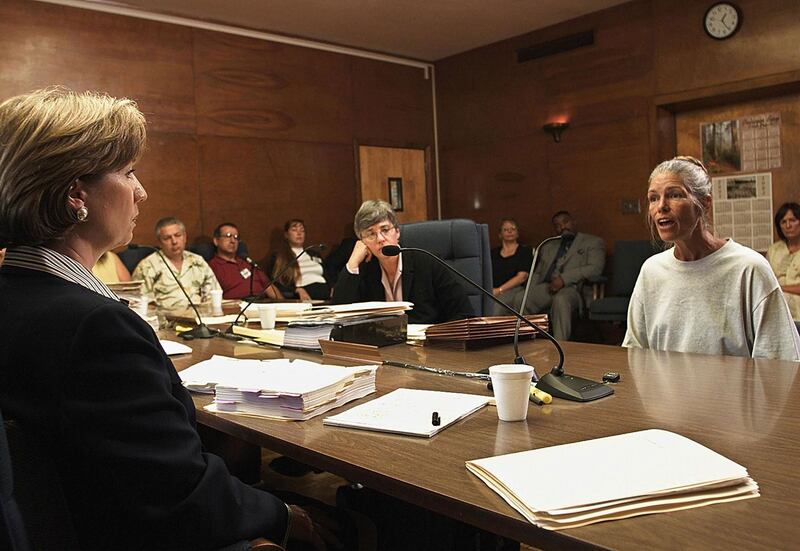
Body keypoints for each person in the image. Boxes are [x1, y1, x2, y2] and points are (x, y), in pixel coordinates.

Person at [0, 88, 334, 550]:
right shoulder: (93, 327)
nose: (142, 191)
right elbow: (181, 496)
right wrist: (284, 516)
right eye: (127, 171)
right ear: (76, 193)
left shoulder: (16, 294)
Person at [623, 156, 800, 360]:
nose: (661, 206)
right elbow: (635, 354)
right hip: (663, 392)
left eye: (674, 195)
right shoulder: (651, 271)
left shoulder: (750, 269)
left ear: (705, 204)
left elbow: (779, 362)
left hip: (733, 393)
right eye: (653, 198)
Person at [332, 199, 474, 324]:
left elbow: (464, 314)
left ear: (397, 232)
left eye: (385, 230)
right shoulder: (365, 270)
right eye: (371, 234)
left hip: (429, 348)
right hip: (384, 350)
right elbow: (339, 315)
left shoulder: (427, 263)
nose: (380, 239)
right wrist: (352, 264)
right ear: (362, 242)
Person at [524, 211, 605, 340]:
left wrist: (564, 279)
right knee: (521, 299)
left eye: (565, 222)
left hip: (575, 289)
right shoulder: (548, 245)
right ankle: (526, 343)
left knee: (561, 300)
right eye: (557, 225)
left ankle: (561, 346)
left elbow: (595, 268)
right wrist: (530, 289)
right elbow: (538, 272)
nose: (562, 227)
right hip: (547, 287)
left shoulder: (592, 242)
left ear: (574, 222)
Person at [132, 216, 221, 309]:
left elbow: (214, 295)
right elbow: (141, 305)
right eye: (167, 238)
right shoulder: (147, 266)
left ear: (185, 237)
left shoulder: (198, 261)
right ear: (159, 242)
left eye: (178, 235)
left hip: (200, 319)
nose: (174, 241)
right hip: (166, 321)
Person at [208, 222, 279, 300]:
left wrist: (284, 305)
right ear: (216, 241)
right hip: (236, 308)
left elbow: (268, 287)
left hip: (262, 305)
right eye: (228, 236)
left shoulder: (248, 263)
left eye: (236, 237)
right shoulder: (212, 267)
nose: (233, 241)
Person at [266, 219, 329, 301]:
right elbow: (275, 283)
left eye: (302, 230)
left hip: (325, 295)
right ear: (286, 235)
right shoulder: (280, 256)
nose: (299, 233)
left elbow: (327, 275)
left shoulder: (314, 253)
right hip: (303, 297)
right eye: (294, 230)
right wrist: (296, 290)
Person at [490, 218, 533, 316]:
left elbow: (522, 277)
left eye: (513, 229)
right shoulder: (492, 253)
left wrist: (499, 290)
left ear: (517, 233)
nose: (509, 231)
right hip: (492, 290)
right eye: (505, 229)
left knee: (496, 308)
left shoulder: (524, 251)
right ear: (500, 234)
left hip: (515, 290)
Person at [767, 202, 800, 321]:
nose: (788, 225)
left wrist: (780, 288)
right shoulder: (774, 250)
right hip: (778, 314)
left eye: (793, 220)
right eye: (783, 222)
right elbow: (766, 282)